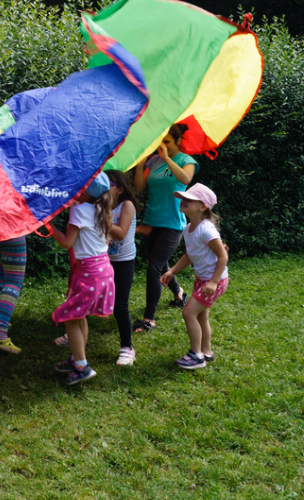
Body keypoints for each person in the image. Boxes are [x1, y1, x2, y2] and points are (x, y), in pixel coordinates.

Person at [44, 172, 117, 385]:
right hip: (102, 269)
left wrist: (48, 225)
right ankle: (77, 358)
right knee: (80, 315)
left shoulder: (79, 210)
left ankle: (82, 367)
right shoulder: (101, 209)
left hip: (89, 273)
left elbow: (67, 243)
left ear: (84, 191)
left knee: (70, 317)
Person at [133, 123, 199, 333]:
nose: (162, 146)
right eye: (160, 141)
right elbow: (140, 187)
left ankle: (149, 318)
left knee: (154, 267)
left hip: (172, 223)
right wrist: (140, 163)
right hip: (151, 221)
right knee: (160, 265)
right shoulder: (153, 161)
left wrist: (168, 158)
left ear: (178, 141)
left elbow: (185, 179)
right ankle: (179, 293)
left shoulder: (186, 161)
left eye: (167, 142)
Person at [160, 183, 228, 370]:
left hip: (214, 280)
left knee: (189, 312)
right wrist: (172, 271)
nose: (183, 201)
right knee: (201, 316)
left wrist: (214, 281)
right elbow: (189, 255)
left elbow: (223, 256)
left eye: (188, 199)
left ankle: (196, 356)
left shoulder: (206, 230)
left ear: (202, 206)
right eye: (182, 198)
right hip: (203, 279)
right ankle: (206, 351)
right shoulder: (188, 228)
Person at [105, 170, 139, 366]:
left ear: (119, 189)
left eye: (107, 183)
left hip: (123, 263)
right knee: (87, 298)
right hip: (102, 261)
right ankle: (74, 334)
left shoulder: (126, 205)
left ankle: (127, 347)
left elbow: (120, 233)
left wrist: (99, 214)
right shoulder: (99, 206)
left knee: (119, 306)